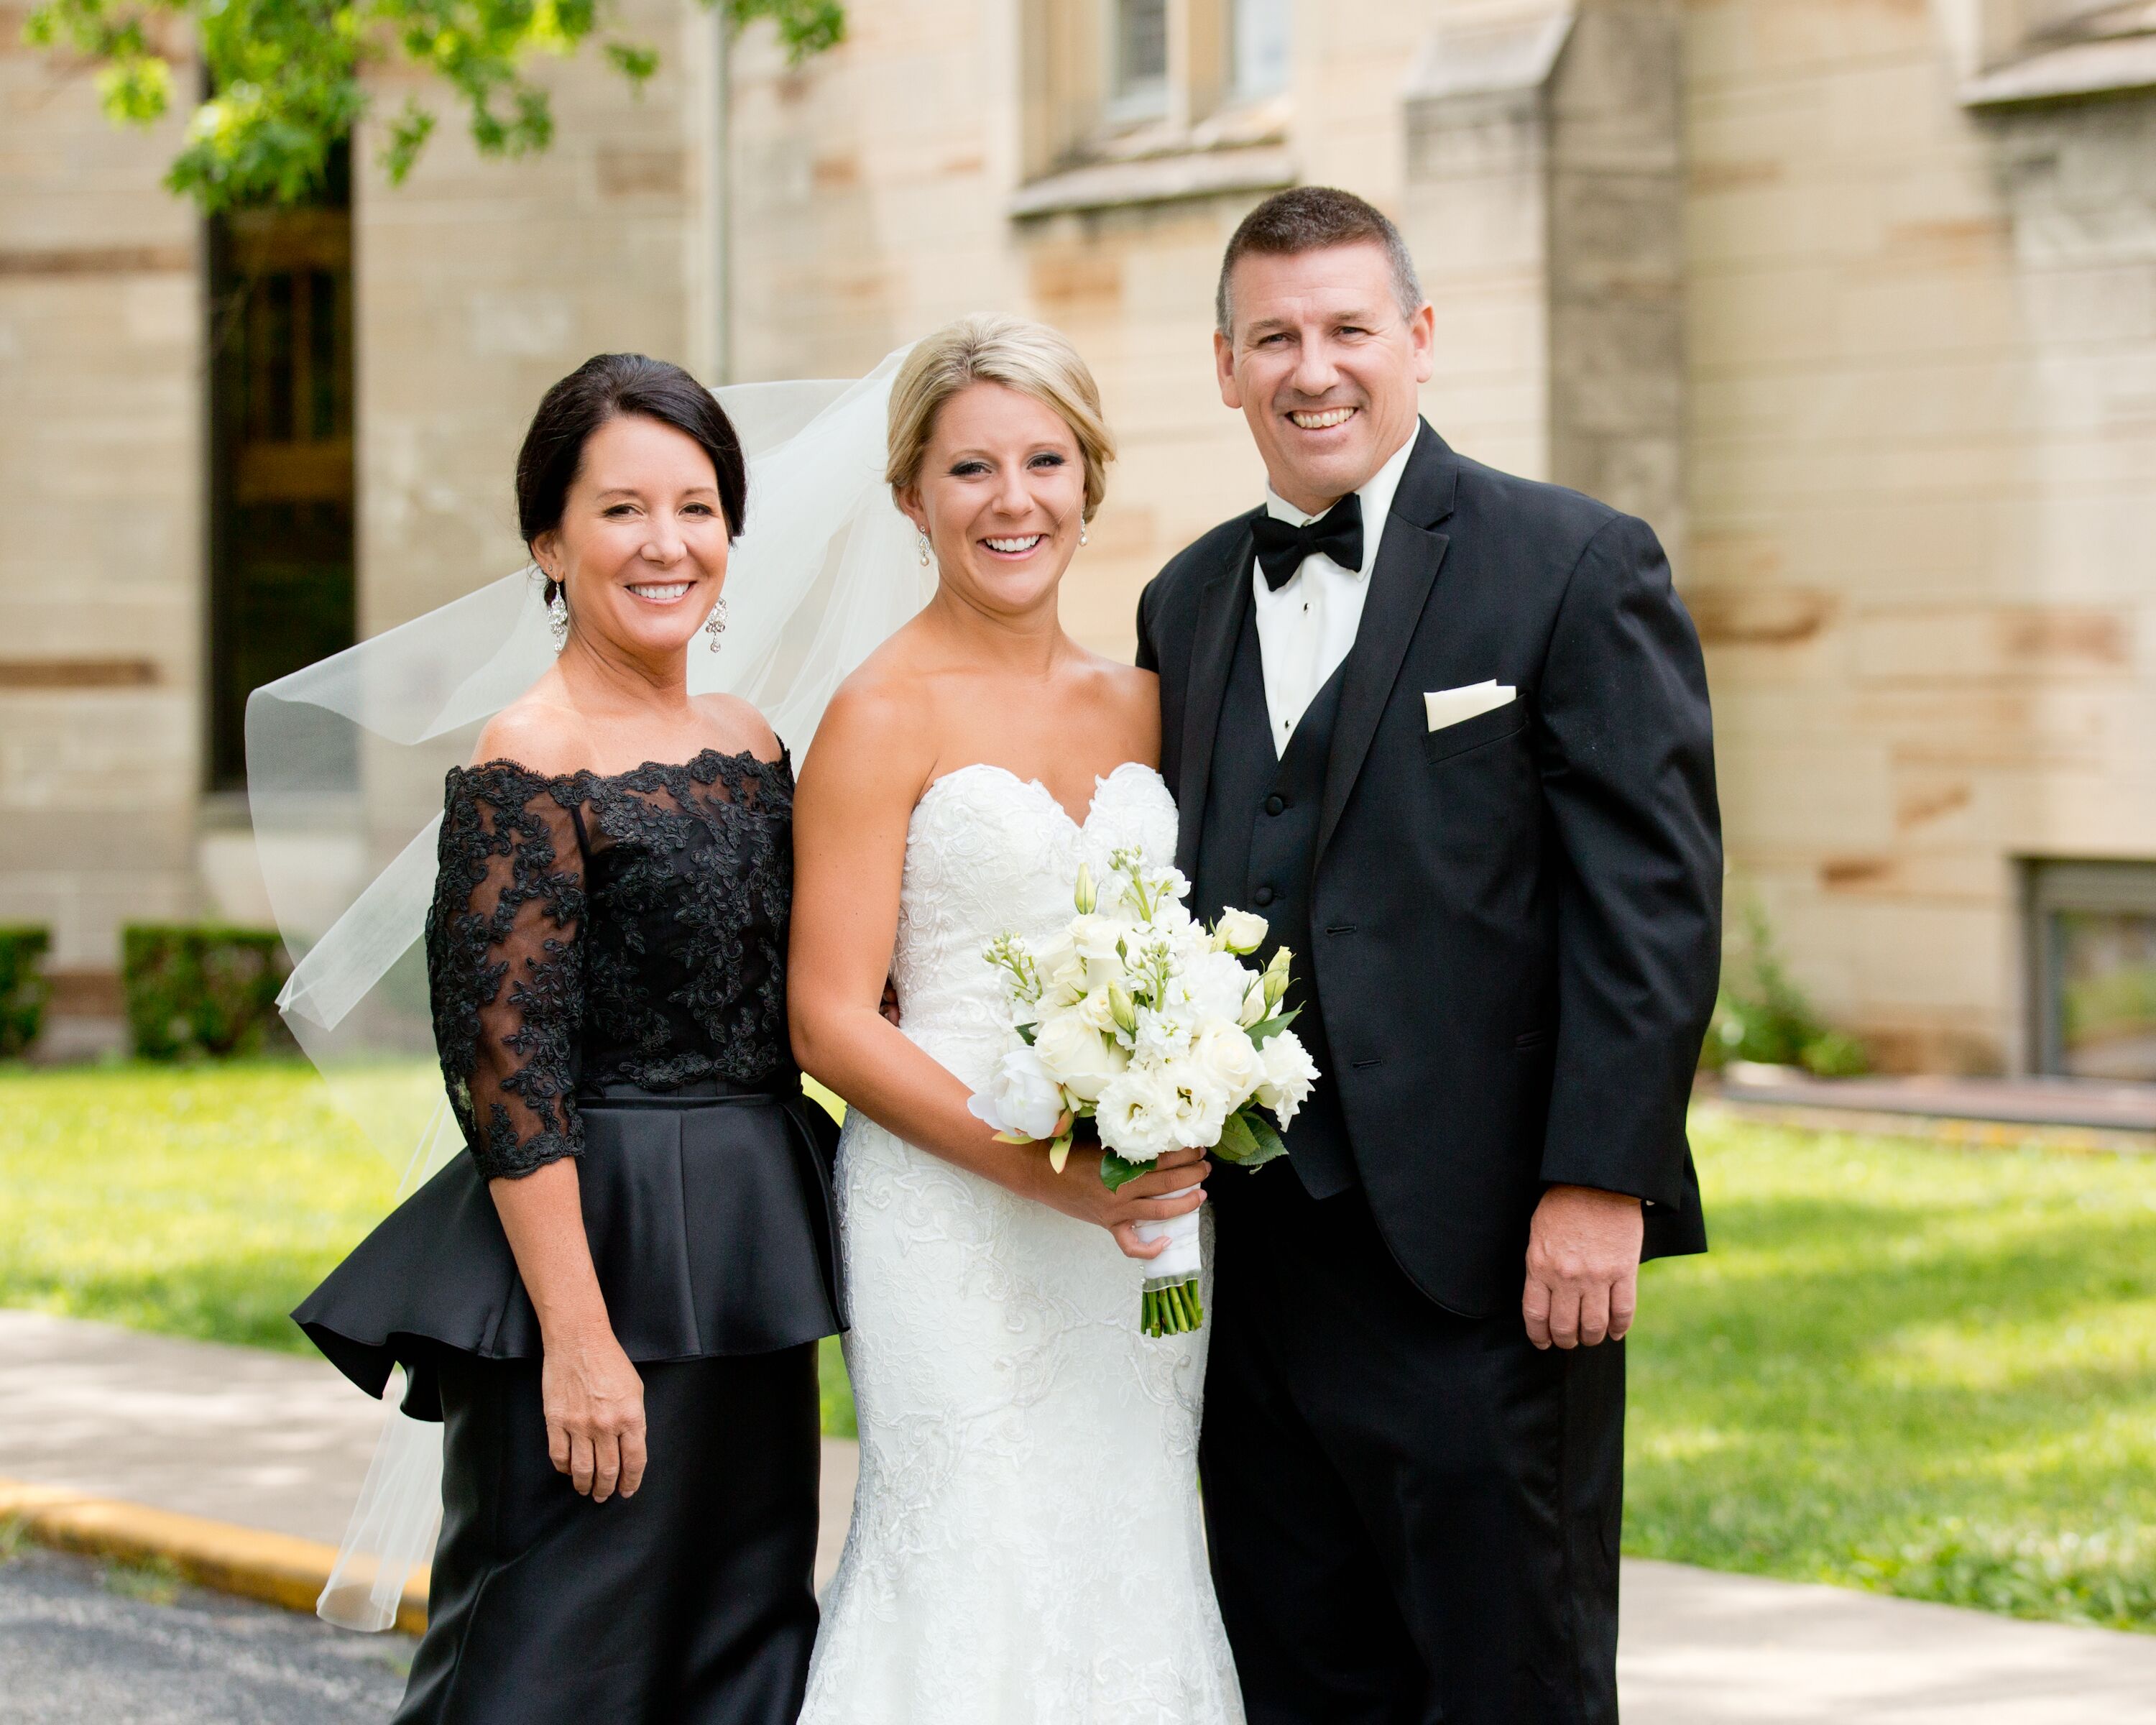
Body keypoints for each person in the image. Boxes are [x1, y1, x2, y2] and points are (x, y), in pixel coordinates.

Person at [1136, 187, 1722, 1724]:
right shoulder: (1184, 599)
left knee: (1506, 1670)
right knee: (1300, 1660)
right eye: (1274, 336)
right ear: (1223, 366)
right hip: (1249, 1263)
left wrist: (1602, 1182)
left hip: (1482, 1253)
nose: (1312, 368)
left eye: (1346, 328)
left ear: (1420, 339)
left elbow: (1649, 905)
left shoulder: (1574, 563)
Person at [292, 354, 844, 1725]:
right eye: (621, 510)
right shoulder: (523, 758)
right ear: (549, 540)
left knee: (738, 1649)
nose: (667, 543)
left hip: (753, 1249)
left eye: (698, 506)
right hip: (593, 1258)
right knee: (550, 1659)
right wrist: (579, 1344)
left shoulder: (754, 739)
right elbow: (507, 1081)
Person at [788, 313, 1243, 1724]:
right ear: (913, 496)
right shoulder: (878, 712)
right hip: (953, 1215)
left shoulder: (1148, 706)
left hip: (1144, 1217)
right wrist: (1044, 1171)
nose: (1013, 500)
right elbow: (826, 1019)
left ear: (1090, 482)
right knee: (975, 1557)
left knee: (1134, 1540)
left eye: (1045, 461)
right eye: (971, 468)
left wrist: (1190, 1096)